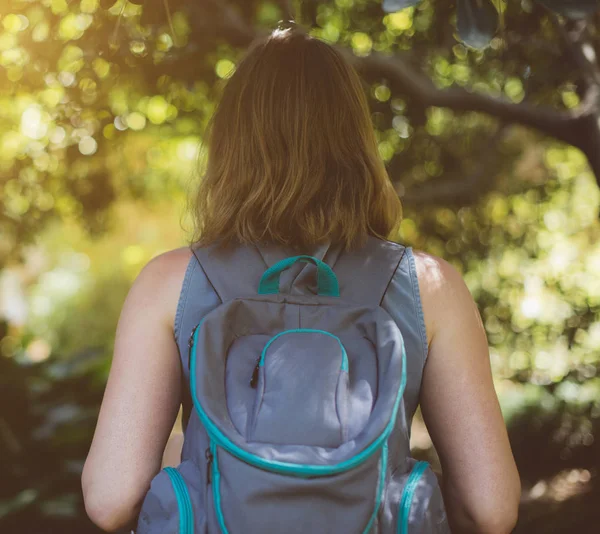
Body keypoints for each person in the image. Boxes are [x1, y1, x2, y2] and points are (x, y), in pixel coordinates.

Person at [81, 24, 521, 533]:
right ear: (356, 141)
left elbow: (111, 499)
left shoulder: (170, 283)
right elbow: (489, 509)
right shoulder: (428, 286)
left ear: (230, 144)